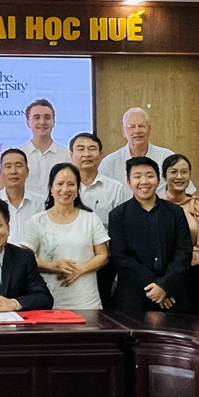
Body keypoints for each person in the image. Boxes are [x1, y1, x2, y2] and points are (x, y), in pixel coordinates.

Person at [22, 163, 109, 310]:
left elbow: (103, 255)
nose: (65, 189)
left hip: (86, 301)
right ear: (51, 189)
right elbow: (25, 259)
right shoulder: (37, 221)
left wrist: (79, 270)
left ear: (77, 189)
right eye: (60, 184)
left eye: (71, 184)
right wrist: (52, 266)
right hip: (47, 301)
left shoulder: (90, 218)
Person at [109, 157, 192, 312]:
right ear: (128, 181)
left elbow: (184, 253)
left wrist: (164, 285)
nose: (144, 181)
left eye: (149, 175)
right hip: (133, 299)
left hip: (173, 296)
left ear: (159, 179)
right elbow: (120, 257)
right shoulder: (118, 215)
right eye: (137, 176)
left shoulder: (175, 212)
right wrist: (155, 287)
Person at [69, 132, 129, 308]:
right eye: (80, 149)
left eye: (92, 149)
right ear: (71, 155)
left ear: (101, 155)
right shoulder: (63, 187)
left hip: (105, 265)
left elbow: (122, 230)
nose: (86, 154)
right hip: (70, 261)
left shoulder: (115, 189)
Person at [98, 107, 195, 196]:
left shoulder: (167, 157)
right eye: (131, 127)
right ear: (123, 132)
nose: (137, 131)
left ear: (149, 129)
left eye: (141, 126)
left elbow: (188, 193)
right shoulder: (109, 163)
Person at [162, 154, 199, 315]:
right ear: (164, 176)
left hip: (195, 274)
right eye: (173, 172)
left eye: (184, 172)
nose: (179, 177)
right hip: (165, 275)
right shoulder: (157, 208)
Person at [0, 149, 44, 246]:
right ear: (0, 173)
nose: (13, 171)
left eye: (18, 166)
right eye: (8, 167)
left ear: (27, 172)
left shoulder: (41, 203)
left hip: (35, 259)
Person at [16, 99, 71, 195]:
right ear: (28, 122)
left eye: (47, 117)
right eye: (37, 117)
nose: (42, 122)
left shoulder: (67, 156)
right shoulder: (18, 156)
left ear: (54, 121)